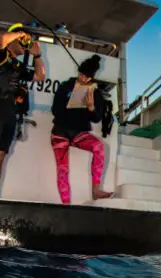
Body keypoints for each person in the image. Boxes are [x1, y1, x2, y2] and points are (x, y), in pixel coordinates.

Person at [0, 23, 46, 197]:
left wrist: (37, 55)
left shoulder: (17, 65)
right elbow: (0, 39)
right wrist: (19, 33)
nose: (24, 44)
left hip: (9, 110)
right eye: (21, 40)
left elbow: (40, 75)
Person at [50, 55, 113, 204]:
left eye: (87, 77)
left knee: (99, 146)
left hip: (78, 133)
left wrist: (91, 107)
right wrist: (69, 103)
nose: (83, 78)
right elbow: (55, 110)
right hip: (60, 131)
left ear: (91, 78)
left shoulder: (94, 93)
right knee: (63, 169)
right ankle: (66, 206)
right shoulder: (65, 86)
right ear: (79, 72)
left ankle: (96, 190)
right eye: (81, 74)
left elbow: (96, 118)